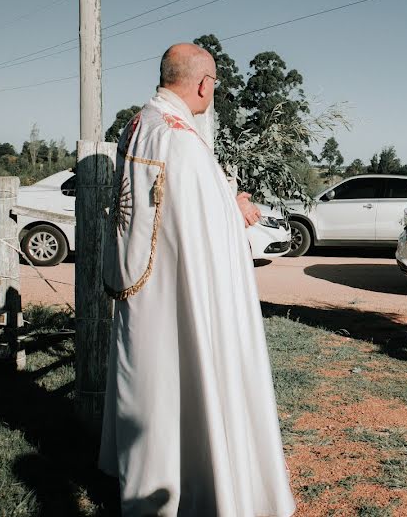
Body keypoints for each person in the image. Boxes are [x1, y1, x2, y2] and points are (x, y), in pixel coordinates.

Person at [99, 43, 296, 517]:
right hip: (179, 293)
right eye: (215, 85)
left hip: (145, 288)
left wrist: (225, 196)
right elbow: (208, 229)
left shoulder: (140, 124)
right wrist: (240, 209)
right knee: (186, 377)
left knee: (152, 381)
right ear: (204, 83)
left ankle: (148, 477)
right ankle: (200, 483)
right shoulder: (180, 140)